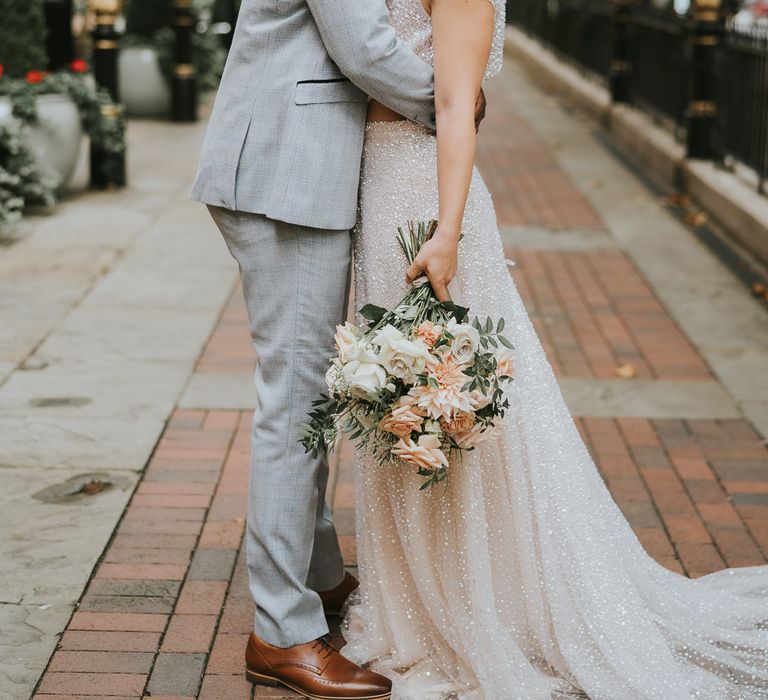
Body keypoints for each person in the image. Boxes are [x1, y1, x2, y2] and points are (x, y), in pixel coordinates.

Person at [343, 0, 768, 698]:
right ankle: (415, 605)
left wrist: (445, 232)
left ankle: (472, 605)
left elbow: (455, 105)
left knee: (443, 407)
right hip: (381, 185)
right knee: (401, 406)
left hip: (425, 200)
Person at [191, 1, 483, 698]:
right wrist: (453, 108)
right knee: (295, 407)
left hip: (291, 162)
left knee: (309, 394)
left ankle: (318, 577)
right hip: (286, 171)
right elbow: (364, 47)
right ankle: (281, 633)